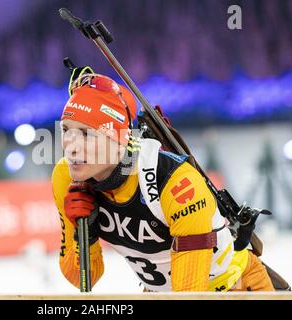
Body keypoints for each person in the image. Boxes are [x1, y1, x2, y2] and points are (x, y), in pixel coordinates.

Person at [51, 72, 275, 292]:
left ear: (118, 139)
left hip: (234, 288)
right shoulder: (68, 177)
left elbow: (189, 292)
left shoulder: (175, 183)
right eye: (65, 130)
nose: (71, 146)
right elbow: (82, 279)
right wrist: (84, 236)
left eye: (86, 134)